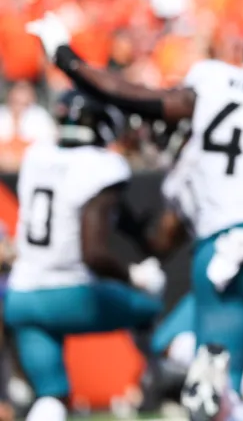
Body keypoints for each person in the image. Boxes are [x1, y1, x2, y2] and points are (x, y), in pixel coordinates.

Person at [24, 10, 243, 421]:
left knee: (224, 374)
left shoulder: (212, 85)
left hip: (218, 250)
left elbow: (132, 96)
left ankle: (224, 398)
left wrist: (66, 58)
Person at [3, 90, 166, 421]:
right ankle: (164, 378)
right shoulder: (102, 165)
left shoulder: (37, 154)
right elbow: (93, 254)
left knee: (51, 398)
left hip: (21, 296)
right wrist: (133, 277)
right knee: (149, 305)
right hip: (71, 295)